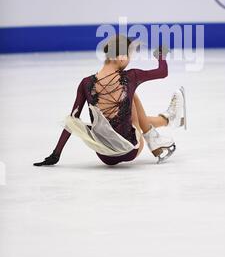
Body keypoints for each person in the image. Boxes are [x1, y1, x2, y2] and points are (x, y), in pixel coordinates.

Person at [34, 35, 186, 167]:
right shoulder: (130, 77)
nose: (129, 61)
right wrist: (161, 54)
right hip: (130, 150)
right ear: (120, 57)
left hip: (105, 156)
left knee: (126, 98)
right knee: (130, 95)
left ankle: (167, 119)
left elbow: (72, 120)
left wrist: (56, 154)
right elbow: (162, 72)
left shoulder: (86, 84)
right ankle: (163, 128)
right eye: (129, 57)